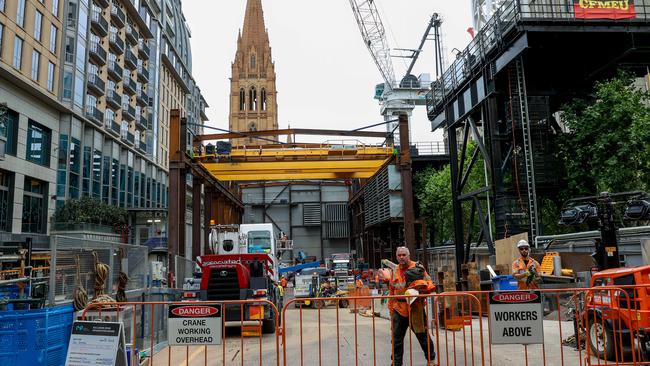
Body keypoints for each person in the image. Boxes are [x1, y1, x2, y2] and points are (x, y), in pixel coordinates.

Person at [380, 246, 436, 366]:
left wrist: (420, 288)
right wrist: (391, 311)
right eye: (399, 255)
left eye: (404, 255)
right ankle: (396, 363)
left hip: (415, 308)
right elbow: (391, 291)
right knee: (396, 339)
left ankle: (431, 360)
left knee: (422, 336)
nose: (401, 257)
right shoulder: (394, 271)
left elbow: (430, 284)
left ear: (409, 256)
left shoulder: (418, 268)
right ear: (396, 257)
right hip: (399, 309)